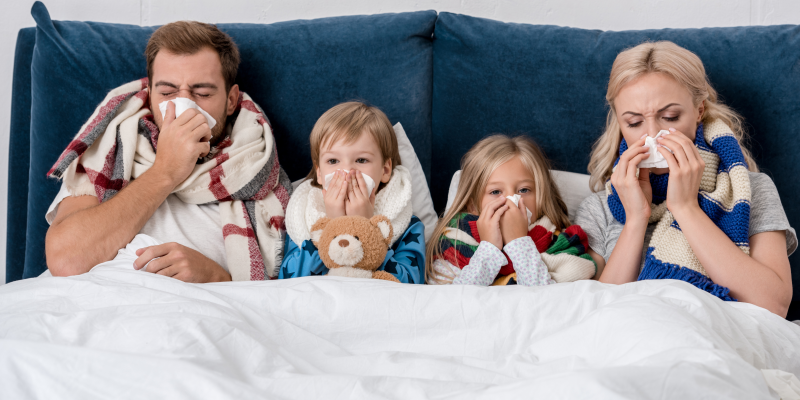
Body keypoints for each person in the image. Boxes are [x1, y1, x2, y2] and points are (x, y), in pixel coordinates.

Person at [45, 21, 292, 283]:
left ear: (231, 100)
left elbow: (279, 293)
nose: (184, 106)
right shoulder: (108, 153)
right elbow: (65, 259)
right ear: (150, 95)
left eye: (203, 92)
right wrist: (166, 171)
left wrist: (216, 277)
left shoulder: (258, 169)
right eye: (167, 92)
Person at [576, 41, 796, 317]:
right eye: (634, 123)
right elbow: (595, 317)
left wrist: (686, 208)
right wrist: (635, 220)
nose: (653, 134)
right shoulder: (600, 207)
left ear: (699, 111)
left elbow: (773, 306)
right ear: (620, 124)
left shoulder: (750, 189)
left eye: (670, 117)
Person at [279, 102, 425, 283]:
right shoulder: (303, 216)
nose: (347, 171)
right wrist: (335, 225)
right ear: (319, 173)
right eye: (333, 161)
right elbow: (288, 281)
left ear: (385, 170)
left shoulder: (407, 224)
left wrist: (364, 227)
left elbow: (411, 285)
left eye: (361, 160)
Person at [426, 135, 596, 286]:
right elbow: (455, 305)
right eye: (495, 192)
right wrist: (489, 248)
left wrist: (519, 243)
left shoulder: (561, 243)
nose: (511, 201)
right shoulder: (453, 244)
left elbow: (549, 304)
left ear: (542, 197)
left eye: (523, 190)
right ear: (472, 204)